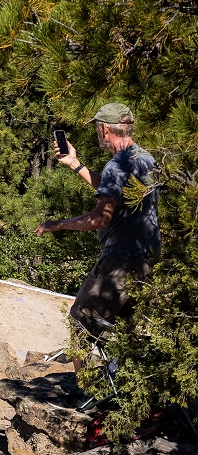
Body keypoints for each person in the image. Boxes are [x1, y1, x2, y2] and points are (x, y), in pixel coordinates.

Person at [36, 103, 160, 341]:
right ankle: (117, 377)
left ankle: (83, 381)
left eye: (96, 128)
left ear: (105, 129)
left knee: (81, 325)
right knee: (125, 334)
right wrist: (75, 163)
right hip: (148, 259)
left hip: (120, 261)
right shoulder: (145, 158)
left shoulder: (117, 164)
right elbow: (116, 191)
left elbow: (99, 218)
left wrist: (58, 224)